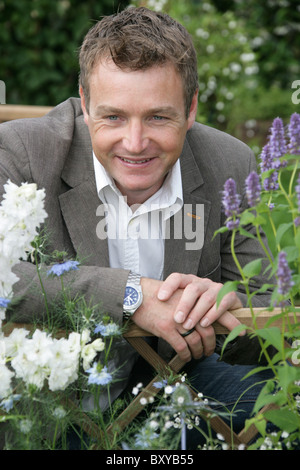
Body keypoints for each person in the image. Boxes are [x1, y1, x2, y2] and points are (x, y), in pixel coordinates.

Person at [0, 7, 275, 447]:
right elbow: (4, 277)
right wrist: (131, 295)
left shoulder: (232, 163)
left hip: (171, 388)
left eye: (158, 117)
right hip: (45, 404)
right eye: (113, 117)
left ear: (191, 107)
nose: (134, 142)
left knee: (284, 404)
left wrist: (228, 302)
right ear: (84, 104)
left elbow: (271, 302)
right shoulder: (19, 152)